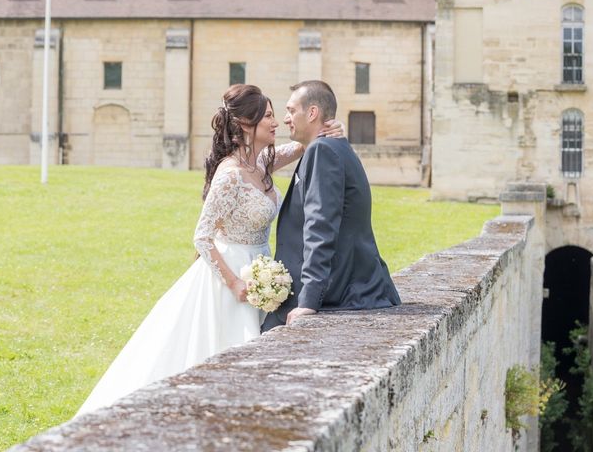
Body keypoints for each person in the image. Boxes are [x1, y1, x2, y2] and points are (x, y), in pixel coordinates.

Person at [76, 84, 343, 416]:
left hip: (260, 267)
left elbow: (303, 146)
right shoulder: (229, 175)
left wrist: (327, 131)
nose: (277, 123)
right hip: (230, 275)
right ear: (247, 124)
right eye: (270, 116)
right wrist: (233, 283)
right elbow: (202, 237)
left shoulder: (262, 163)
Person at [261, 80, 401, 332]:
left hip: (342, 293)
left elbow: (320, 228)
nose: (285, 119)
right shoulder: (333, 147)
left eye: (292, 110)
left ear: (312, 113)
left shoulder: (323, 151)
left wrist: (309, 300)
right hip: (357, 288)